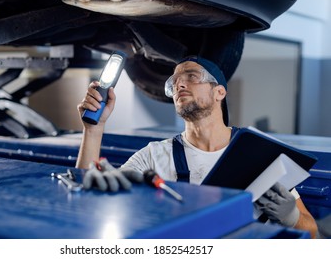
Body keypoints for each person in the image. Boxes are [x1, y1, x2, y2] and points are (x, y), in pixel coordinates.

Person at [76, 55, 318, 238]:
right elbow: (86, 199)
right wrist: (93, 129)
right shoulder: (153, 157)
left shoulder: (258, 152)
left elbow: (314, 235)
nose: (180, 84)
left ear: (219, 92)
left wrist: (292, 217)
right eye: (175, 82)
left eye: (192, 77)